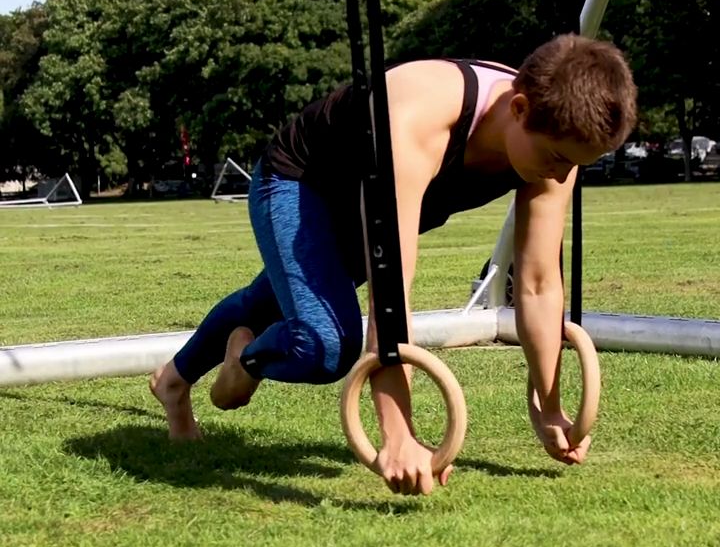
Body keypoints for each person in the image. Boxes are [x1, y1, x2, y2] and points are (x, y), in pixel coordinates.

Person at [151, 33, 637, 495]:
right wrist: (397, 430)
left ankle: (174, 380)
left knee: (270, 301)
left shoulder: (557, 136)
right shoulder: (416, 117)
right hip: (302, 182)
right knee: (325, 345)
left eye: (575, 165)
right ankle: (246, 358)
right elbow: (392, 290)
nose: (561, 174)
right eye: (556, 158)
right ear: (519, 109)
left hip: (370, 202)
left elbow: (535, 285)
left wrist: (549, 407)